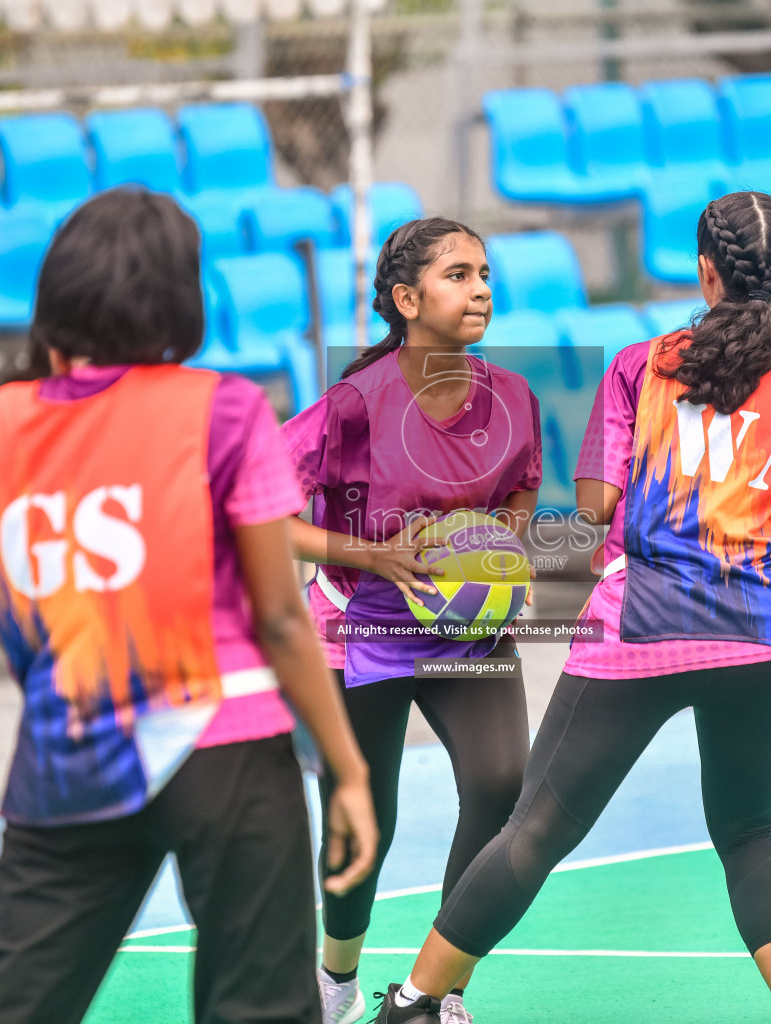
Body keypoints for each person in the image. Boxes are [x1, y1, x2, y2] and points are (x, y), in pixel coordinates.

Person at [373, 192, 771, 1024]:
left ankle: (416, 1003)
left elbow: (599, 509)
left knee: (533, 831)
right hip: (763, 642)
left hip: (636, 631)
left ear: (704, 269)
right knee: (751, 834)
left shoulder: (643, 366)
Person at [0, 188, 379, 1024]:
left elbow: (14, 612)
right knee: (258, 1008)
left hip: (67, 747)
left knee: (16, 1008)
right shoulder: (221, 407)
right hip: (224, 747)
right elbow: (281, 618)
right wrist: (347, 768)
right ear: (180, 295)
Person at [282, 216, 541, 1024]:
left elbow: (522, 490)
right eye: (459, 275)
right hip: (362, 631)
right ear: (406, 297)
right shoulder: (354, 404)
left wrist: (510, 555)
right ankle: (335, 979)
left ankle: (435, 991)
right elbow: (267, 517)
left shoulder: (514, 397)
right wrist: (373, 556)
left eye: (486, 274)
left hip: (468, 632)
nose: (481, 289)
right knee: (367, 819)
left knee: (503, 784)